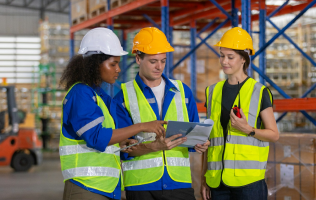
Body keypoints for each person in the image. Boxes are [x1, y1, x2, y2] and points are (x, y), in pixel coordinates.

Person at [59, 27, 166, 200]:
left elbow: (108, 137)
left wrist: (122, 141)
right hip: (86, 188)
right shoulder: (80, 93)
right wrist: (143, 126)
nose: (118, 69)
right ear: (94, 64)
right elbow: (97, 137)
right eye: (113, 64)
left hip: (106, 188)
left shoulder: (99, 96)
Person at [114, 27, 210, 200]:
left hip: (179, 183)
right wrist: (154, 147)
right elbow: (122, 148)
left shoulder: (183, 91)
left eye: (163, 61)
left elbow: (192, 134)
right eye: (153, 61)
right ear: (138, 58)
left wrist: (198, 144)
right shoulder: (123, 96)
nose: (159, 67)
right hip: (141, 185)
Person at [200, 27, 280, 200]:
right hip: (217, 182)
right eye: (222, 55)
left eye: (230, 57)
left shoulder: (259, 92)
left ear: (244, 59)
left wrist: (248, 129)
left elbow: (274, 135)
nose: (224, 61)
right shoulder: (212, 91)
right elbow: (209, 140)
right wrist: (203, 178)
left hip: (248, 183)